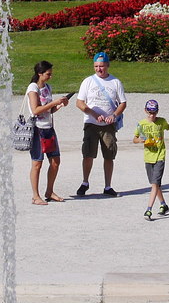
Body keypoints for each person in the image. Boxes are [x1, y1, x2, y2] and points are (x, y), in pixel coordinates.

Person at [75, 51, 127, 198]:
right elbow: (79, 103)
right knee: (88, 154)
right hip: (91, 124)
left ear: (108, 65)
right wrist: (94, 114)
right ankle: (85, 182)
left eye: (102, 66)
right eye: (96, 66)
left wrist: (114, 116)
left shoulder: (115, 82)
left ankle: (108, 186)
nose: (99, 69)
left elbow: (123, 103)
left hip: (108, 126)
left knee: (109, 155)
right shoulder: (88, 81)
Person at [26, 59, 72, 205]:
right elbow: (36, 110)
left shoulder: (47, 87)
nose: (50, 76)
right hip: (37, 129)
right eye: (48, 74)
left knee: (55, 162)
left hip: (48, 128)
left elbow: (49, 110)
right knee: (37, 163)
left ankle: (49, 191)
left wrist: (60, 105)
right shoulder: (33, 88)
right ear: (40, 74)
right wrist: (53, 103)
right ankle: (35, 195)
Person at [133, 98, 169, 220]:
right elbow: (134, 139)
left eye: (154, 113)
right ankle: (163, 205)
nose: (152, 115)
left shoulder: (161, 122)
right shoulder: (141, 124)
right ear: (145, 111)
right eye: (150, 112)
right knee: (154, 185)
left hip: (160, 156)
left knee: (155, 184)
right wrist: (141, 140)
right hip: (148, 157)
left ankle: (148, 209)